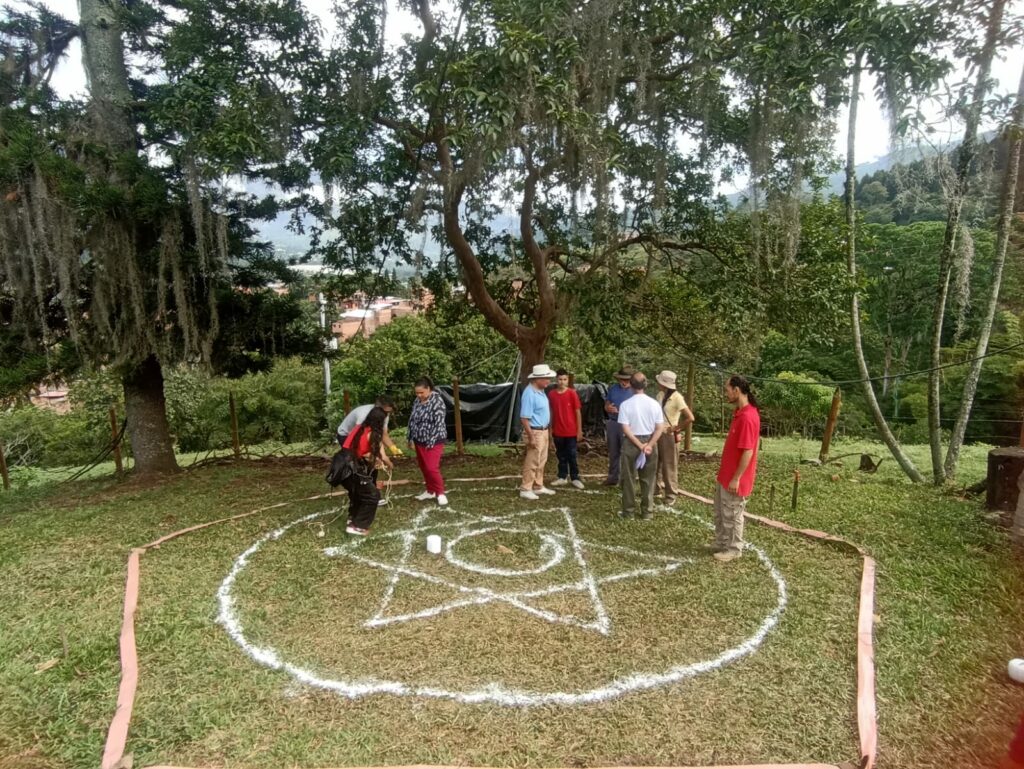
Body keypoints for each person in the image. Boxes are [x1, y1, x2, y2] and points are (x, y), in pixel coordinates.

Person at [711, 374, 761, 562]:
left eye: (727, 390)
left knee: (732, 514)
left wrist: (736, 478)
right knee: (720, 512)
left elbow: (748, 451)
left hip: (735, 478)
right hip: (726, 475)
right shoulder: (740, 413)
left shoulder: (748, 417)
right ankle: (722, 542)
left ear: (737, 390)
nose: (726, 393)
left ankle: (734, 549)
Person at [617, 372, 667, 520]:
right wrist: (649, 445)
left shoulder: (625, 404)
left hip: (631, 442)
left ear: (631, 385)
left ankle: (629, 512)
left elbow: (625, 428)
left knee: (629, 478)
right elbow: (659, 428)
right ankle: (647, 512)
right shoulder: (654, 404)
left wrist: (639, 445)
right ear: (645, 385)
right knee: (649, 479)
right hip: (650, 441)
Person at [339, 406, 393, 536]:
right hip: (351, 468)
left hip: (341, 465)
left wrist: (374, 460)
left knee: (358, 493)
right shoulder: (373, 434)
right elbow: (380, 456)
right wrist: (389, 464)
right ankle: (357, 526)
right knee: (372, 495)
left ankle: (352, 518)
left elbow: (361, 451)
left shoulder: (359, 428)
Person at [654, 370, 695, 505]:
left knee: (669, 465)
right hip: (658, 432)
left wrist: (675, 428)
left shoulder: (677, 398)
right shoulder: (660, 395)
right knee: (655, 462)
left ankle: (671, 494)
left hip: (669, 435)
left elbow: (690, 418)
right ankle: (655, 489)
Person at [407, 377, 449, 506]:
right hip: (418, 440)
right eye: (417, 393)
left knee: (431, 467)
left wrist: (431, 442)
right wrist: (410, 437)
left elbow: (439, 423)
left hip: (434, 440)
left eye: (421, 392)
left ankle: (440, 493)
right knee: (424, 466)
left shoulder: (437, 401)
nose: (419, 395)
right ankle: (430, 490)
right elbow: (412, 420)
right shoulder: (417, 401)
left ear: (428, 389)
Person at [519, 363, 557, 500]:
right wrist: (531, 436)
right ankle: (526, 488)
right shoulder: (529, 394)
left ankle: (538, 486)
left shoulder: (540, 391)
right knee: (532, 461)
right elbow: (524, 418)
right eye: (546, 378)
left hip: (543, 430)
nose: (549, 381)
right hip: (535, 431)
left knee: (541, 460)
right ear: (537, 379)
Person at [548, 369, 585, 489]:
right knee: (561, 455)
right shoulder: (551, 394)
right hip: (558, 431)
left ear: (568, 380)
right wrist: (550, 429)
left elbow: (578, 412)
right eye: (560, 379)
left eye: (564, 379)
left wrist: (579, 430)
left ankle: (575, 477)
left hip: (571, 431)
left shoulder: (572, 393)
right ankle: (562, 477)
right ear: (556, 380)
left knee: (572, 455)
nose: (562, 382)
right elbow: (551, 412)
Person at [337, 396, 402, 457]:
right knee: (354, 457)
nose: (387, 414)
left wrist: (394, 449)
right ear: (378, 407)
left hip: (361, 434)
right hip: (346, 434)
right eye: (386, 412)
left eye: (389, 412)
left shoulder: (385, 414)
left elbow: (384, 434)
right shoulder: (363, 414)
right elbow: (357, 434)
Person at [603, 366, 634, 486]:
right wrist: (607, 408)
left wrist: (622, 411)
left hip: (628, 424)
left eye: (627, 380)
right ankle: (613, 477)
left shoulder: (635, 391)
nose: (624, 382)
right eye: (622, 379)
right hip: (613, 422)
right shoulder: (613, 388)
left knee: (627, 452)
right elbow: (607, 403)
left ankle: (626, 479)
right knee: (613, 451)